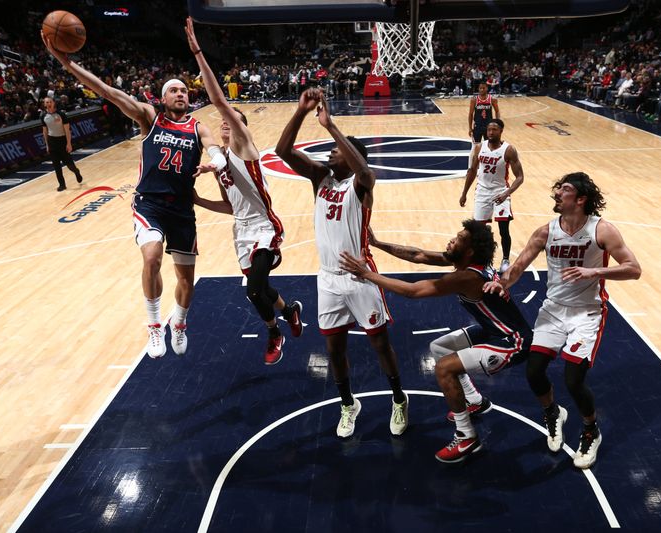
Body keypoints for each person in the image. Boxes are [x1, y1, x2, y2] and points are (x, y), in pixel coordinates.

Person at [42, 30, 222, 359]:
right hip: (149, 204)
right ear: (163, 98)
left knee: (186, 280)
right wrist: (66, 62)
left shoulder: (197, 126)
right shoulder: (149, 118)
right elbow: (108, 92)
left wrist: (218, 159)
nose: (180, 94)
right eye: (173, 90)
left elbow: (213, 145)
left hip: (182, 209)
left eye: (183, 90)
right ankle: (155, 326)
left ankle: (178, 322)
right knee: (151, 257)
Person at [339, 221, 532, 463]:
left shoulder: (467, 277)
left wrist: (367, 274)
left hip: (512, 341)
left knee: (444, 368)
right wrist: (377, 244)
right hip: (493, 329)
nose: (452, 239)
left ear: (469, 251)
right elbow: (418, 255)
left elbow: (413, 291)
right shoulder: (465, 262)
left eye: (459, 238)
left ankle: (466, 437)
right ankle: (474, 400)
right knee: (440, 348)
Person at [275, 87, 408, 439]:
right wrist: (302, 112)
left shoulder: (361, 185)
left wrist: (332, 127)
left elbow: (365, 172)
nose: (330, 153)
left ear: (350, 157)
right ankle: (348, 403)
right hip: (329, 279)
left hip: (361, 277)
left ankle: (398, 399)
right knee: (334, 350)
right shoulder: (321, 180)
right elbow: (282, 151)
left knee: (380, 343)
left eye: (337, 151)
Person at [485, 172, 641, 469]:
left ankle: (591, 429)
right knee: (534, 372)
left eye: (564, 189)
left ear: (580, 199)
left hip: (587, 312)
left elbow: (634, 269)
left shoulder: (602, 231)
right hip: (553, 310)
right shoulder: (546, 232)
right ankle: (553, 413)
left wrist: (594, 272)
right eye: (557, 188)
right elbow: (518, 266)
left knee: (573, 379)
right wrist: (502, 284)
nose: (556, 193)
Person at [185, 18, 303, 365]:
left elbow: (219, 101)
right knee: (263, 289)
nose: (225, 120)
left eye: (232, 118)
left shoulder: (244, 147)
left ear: (241, 127)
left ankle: (274, 332)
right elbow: (231, 206)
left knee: (253, 291)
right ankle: (291, 309)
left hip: (266, 228)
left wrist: (197, 52)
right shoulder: (218, 159)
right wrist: (198, 200)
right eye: (224, 119)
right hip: (242, 230)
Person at [460, 118, 524, 274]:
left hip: (501, 191)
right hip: (482, 191)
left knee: (503, 229)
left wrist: (506, 193)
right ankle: (484, 261)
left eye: (494, 129)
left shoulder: (509, 150)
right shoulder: (479, 148)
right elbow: (472, 171)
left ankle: (505, 260)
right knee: (478, 231)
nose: (491, 132)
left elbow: (520, 177)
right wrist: (464, 193)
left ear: (501, 131)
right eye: (489, 129)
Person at [40, 96, 83, 191]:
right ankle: (62, 184)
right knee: (56, 166)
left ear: (54, 103)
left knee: (69, 165)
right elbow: (45, 132)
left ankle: (76, 171)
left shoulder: (61, 114)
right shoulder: (43, 116)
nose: (48, 104)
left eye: (50, 102)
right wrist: (47, 145)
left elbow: (67, 130)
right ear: (44, 104)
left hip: (62, 141)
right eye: (46, 102)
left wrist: (69, 143)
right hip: (52, 142)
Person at [468, 82, 499, 163]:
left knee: (489, 147)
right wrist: (470, 128)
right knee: (474, 147)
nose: (482, 89)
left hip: (489, 128)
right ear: (478, 89)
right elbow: (470, 114)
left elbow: (497, 111)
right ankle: (470, 168)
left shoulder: (492, 99)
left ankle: (486, 166)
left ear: (487, 88)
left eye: (483, 88)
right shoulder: (474, 100)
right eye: (480, 88)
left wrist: (497, 123)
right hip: (477, 127)